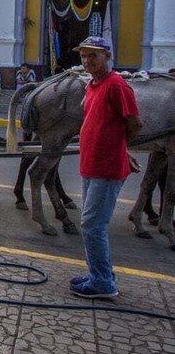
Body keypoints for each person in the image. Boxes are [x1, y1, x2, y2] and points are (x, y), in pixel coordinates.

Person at [70, 36, 142, 299]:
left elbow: (134, 123)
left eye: (93, 56)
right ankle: (98, 274)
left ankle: (103, 283)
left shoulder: (116, 86)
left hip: (106, 167)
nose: (87, 61)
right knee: (91, 223)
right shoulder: (92, 86)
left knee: (92, 225)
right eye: (84, 57)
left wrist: (119, 149)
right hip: (90, 164)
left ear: (107, 57)